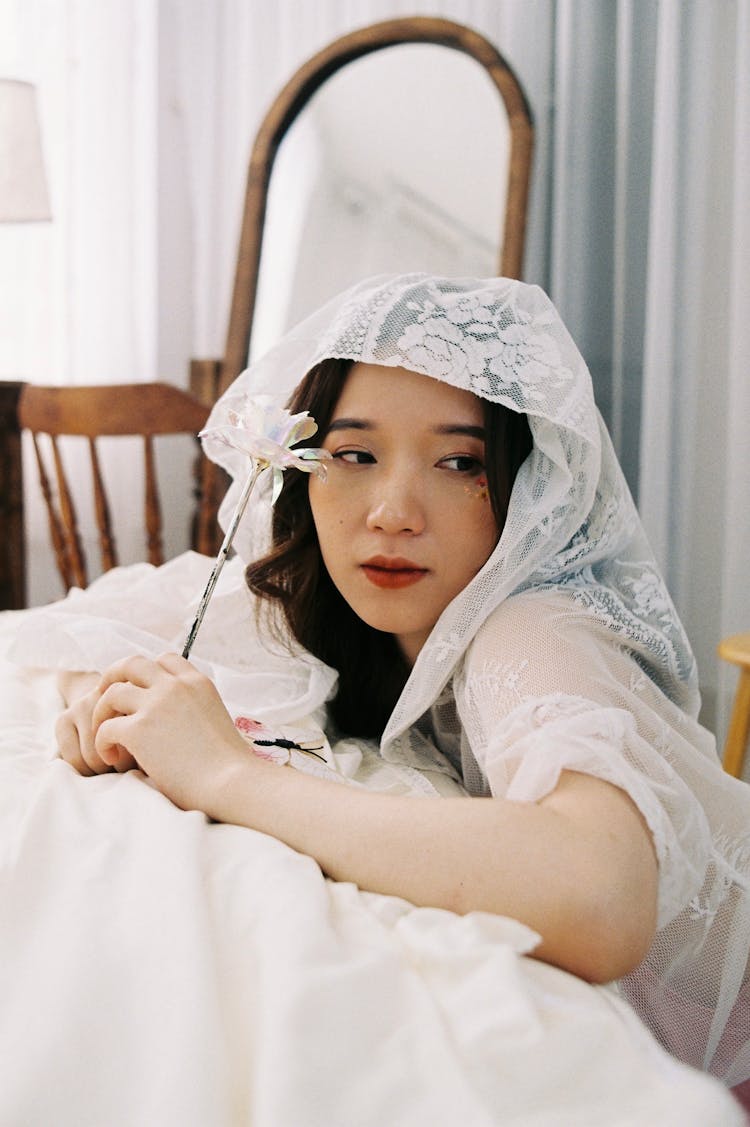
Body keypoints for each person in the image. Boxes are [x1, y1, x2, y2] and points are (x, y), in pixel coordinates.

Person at [53, 274, 750, 1089]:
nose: (392, 510)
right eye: (353, 454)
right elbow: (112, 614)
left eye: (461, 461)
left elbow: (602, 896)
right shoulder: (338, 596)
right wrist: (100, 699)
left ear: (529, 490)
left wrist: (227, 773)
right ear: (305, 468)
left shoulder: (531, 627)